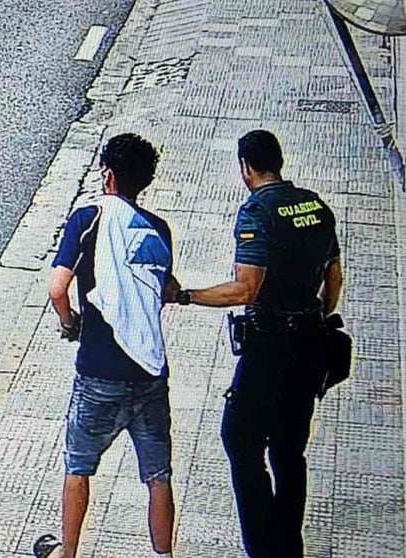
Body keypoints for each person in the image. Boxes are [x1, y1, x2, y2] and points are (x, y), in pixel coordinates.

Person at [173, 130, 342, 557]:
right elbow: (333, 278)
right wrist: (316, 316)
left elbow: (246, 289)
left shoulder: (256, 212)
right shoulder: (315, 205)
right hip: (310, 343)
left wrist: (186, 295)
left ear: (246, 167)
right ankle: (289, 545)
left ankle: (264, 549)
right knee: (288, 450)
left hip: (269, 348)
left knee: (240, 440)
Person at [35, 133, 178, 558]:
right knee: (158, 474)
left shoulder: (89, 219)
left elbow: (57, 288)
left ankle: (68, 553)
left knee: (78, 466)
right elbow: (164, 288)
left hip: (99, 369)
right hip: (150, 371)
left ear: (108, 175)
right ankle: (163, 554)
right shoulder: (160, 229)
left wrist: (69, 323)